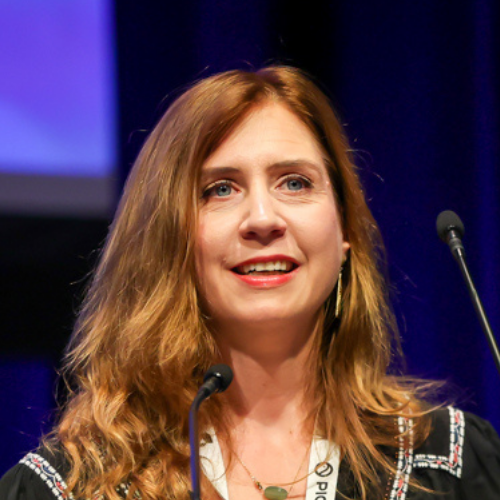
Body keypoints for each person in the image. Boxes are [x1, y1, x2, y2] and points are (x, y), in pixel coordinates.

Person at [1, 66, 499, 500]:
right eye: (220, 189)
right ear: (165, 241)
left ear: (345, 229)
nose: (263, 218)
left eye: (295, 182)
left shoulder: (454, 466)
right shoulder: (71, 487)